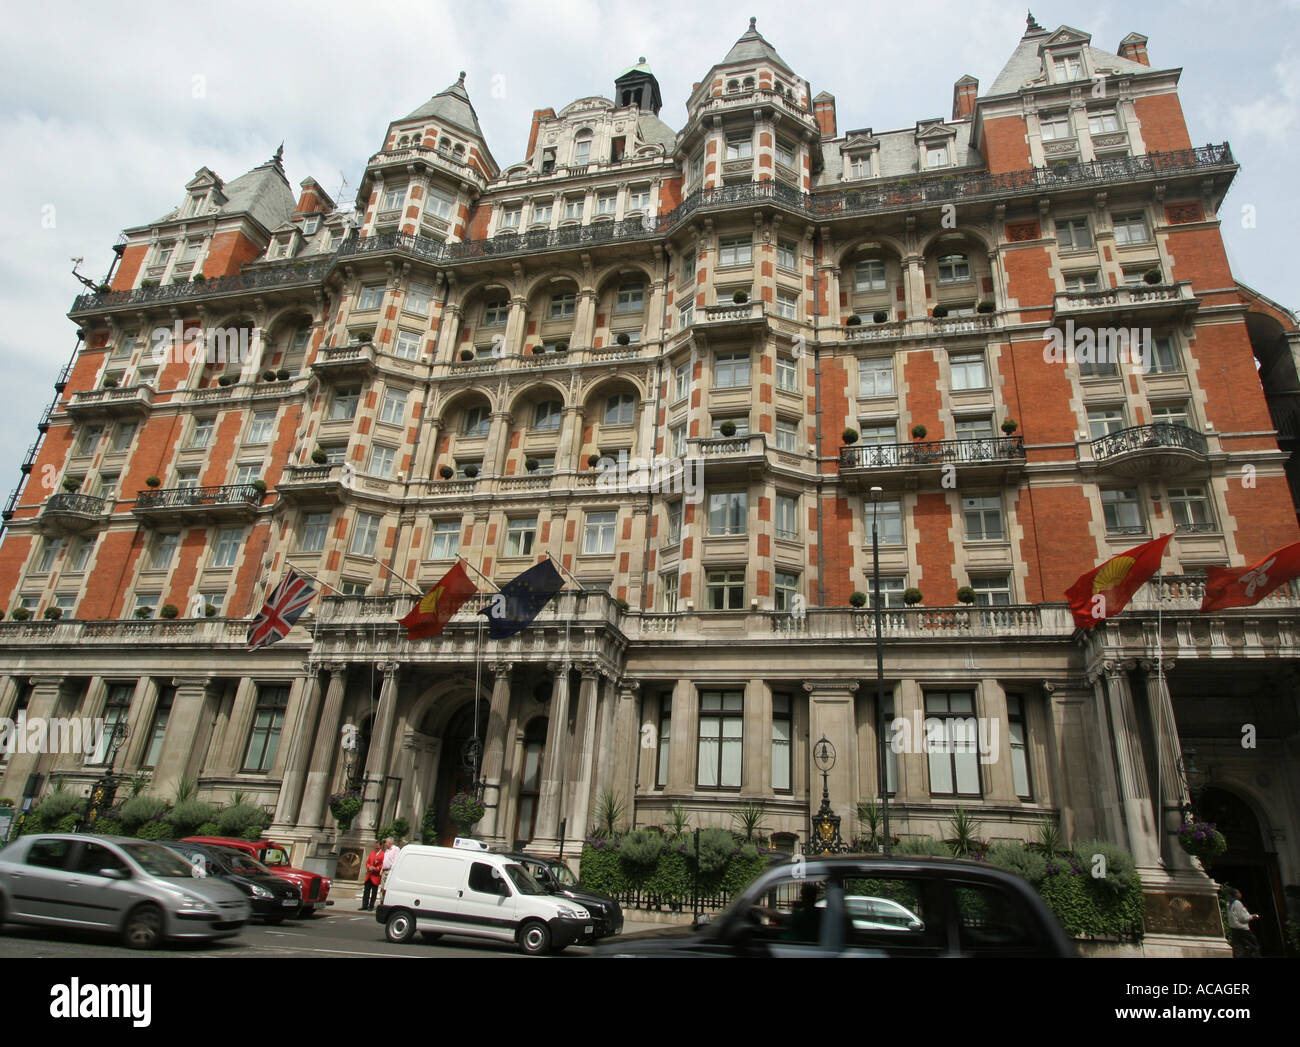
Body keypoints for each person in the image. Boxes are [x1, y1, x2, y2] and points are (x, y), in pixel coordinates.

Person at [1227, 888, 1261, 957]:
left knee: (1239, 946)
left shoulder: (1228, 903)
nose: (1240, 894)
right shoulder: (1237, 903)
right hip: (1241, 928)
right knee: (1253, 944)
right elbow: (1242, 918)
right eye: (1239, 893)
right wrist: (1252, 916)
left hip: (1234, 927)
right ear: (1236, 894)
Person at [361, 841, 384, 911]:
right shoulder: (372, 853)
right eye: (375, 845)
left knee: (374, 892)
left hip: (375, 876)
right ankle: (364, 905)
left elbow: (382, 865)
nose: (376, 847)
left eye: (377, 845)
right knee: (366, 891)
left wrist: (376, 868)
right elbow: (367, 862)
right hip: (369, 875)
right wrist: (369, 867)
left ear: (380, 846)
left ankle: (371, 905)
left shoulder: (382, 854)